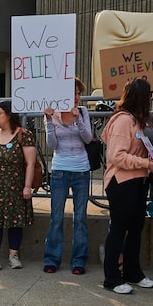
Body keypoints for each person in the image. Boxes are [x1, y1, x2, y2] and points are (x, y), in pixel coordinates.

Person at [101, 78, 153, 294]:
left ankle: (132, 272)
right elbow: (116, 156)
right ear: (142, 97)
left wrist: (152, 157)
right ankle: (112, 278)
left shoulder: (138, 120)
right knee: (119, 229)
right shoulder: (123, 120)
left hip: (138, 181)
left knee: (136, 228)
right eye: (150, 94)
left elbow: (135, 151)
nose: (152, 98)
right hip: (121, 182)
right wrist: (145, 162)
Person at [42, 77, 94, 274]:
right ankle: (52, 258)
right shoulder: (52, 113)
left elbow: (88, 139)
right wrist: (48, 120)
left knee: (80, 217)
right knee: (56, 216)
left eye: (78, 93)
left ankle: (79, 260)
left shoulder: (82, 111)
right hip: (60, 169)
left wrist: (78, 119)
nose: (77, 97)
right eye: (73, 93)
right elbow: (52, 145)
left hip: (81, 169)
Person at [0, 99, 37, 270]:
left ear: (9, 114)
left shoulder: (23, 135)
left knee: (15, 222)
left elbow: (30, 163)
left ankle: (13, 255)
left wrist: (27, 186)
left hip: (16, 186)